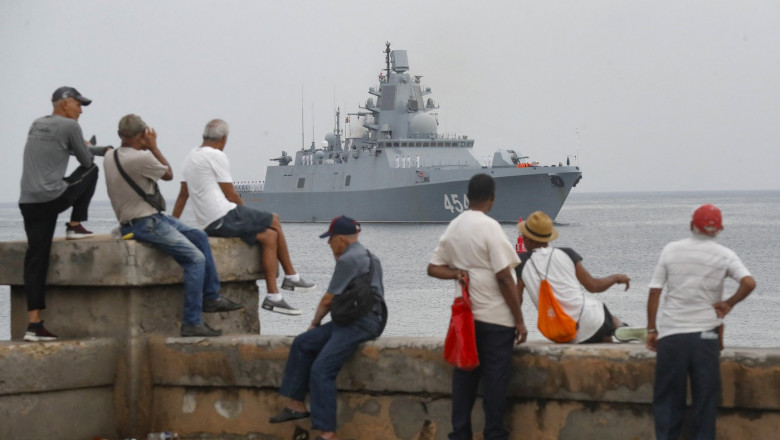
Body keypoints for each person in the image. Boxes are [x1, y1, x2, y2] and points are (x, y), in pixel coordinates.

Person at [104, 114, 244, 337]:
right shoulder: (141, 159)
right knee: (195, 259)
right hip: (144, 223)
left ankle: (211, 296)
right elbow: (168, 174)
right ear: (142, 135)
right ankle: (191, 322)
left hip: (147, 218)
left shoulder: (110, 157)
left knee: (199, 236)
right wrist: (153, 146)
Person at [172, 119, 314, 316]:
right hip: (223, 215)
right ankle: (291, 275)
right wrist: (248, 218)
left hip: (208, 223)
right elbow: (231, 194)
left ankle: (274, 297)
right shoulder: (216, 155)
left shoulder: (190, 158)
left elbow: (183, 195)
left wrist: (173, 224)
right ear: (223, 139)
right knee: (273, 219)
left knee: (269, 236)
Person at [427, 173, 527, 440]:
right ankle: (494, 434)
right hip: (496, 320)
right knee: (495, 382)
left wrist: (457, 273)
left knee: (464, 379)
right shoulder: (490, 227)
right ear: (491, 198)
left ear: (468, 196)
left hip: (467, 319)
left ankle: (460, 434)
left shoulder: (454, 226)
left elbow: (433, 268)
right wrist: (519, 319)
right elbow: (505, 276)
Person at [269, 215, 386, 440]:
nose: (328, 243)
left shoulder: (348, 260)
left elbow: (328, 299)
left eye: (331, 239)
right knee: (303, 343)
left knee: (322, 370)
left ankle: (327, 433)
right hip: (362, 320)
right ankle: (296, 405)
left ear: (340, 239)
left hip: (359, 324)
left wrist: (314, 324)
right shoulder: (371, 257)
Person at [646, 204, 756, 440]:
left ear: (691, 225)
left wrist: (652, 329)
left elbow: (655, 291)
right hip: (705, 338)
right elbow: (749, 283)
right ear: (719, 229)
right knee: (705, 403)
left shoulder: (671, 250)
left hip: (672, 336)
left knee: (667, 400)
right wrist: (729, 303)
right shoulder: (725, 255)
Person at [19, 86, 111, 341]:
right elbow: (85, 160)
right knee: (92, 172)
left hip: (28, 202)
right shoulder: (71, 127)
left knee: (36, 259)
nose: (81, 111)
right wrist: (97, 150)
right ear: (65, 102)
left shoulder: (37, 124)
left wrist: (95, 147)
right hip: (51, 198)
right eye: (78, 105)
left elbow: (62, 147)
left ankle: (34, 325)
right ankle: (74, 224)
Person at [515, 211, 642, 344]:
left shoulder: (520, 263)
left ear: (528, 238)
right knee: (605, 320)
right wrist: (616, 277)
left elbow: (517, 301)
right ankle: (620, 327)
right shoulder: (567, 253)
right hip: (592, 318)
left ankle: (618, 328)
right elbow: (594, 286)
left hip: (561, 328)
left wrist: (518, 325)